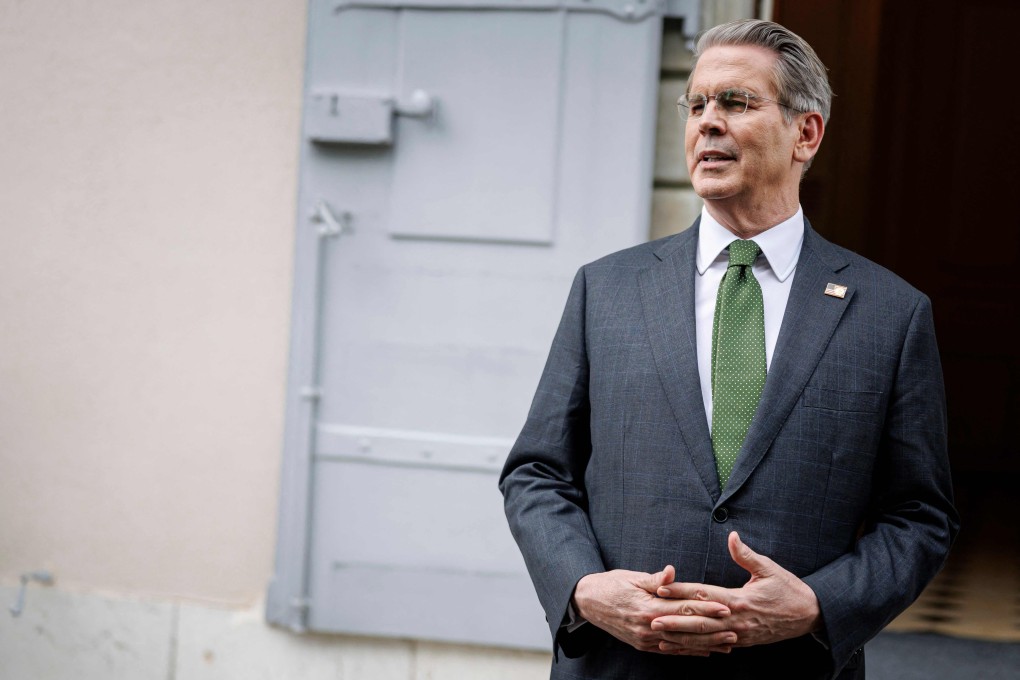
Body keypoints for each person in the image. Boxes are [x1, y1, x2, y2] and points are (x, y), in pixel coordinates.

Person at [499, 18, 958, 680]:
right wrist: (583, 589)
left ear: (806, 133)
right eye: (696, 105)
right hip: (616, 665)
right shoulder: (608, 290)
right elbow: (536, 473)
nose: (707, 122)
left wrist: (816, 605)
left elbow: (920, 518)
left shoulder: (890, 315)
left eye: (736, 102)